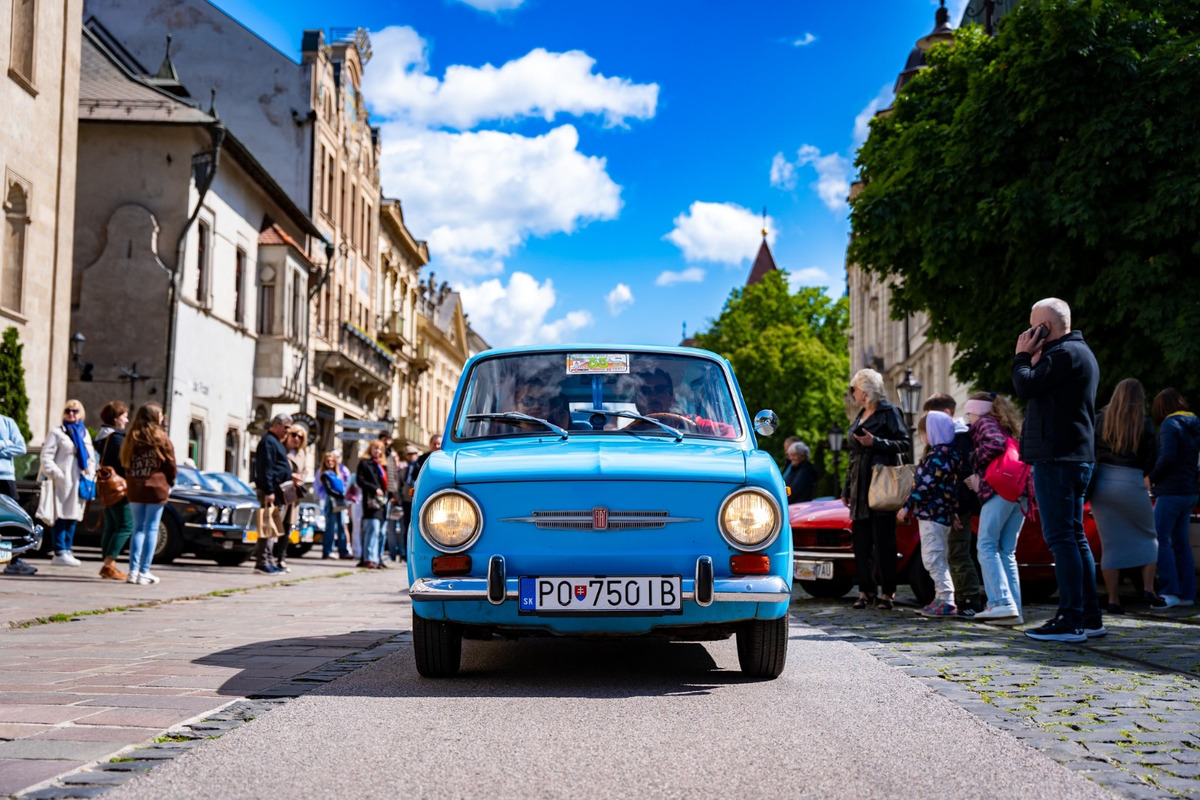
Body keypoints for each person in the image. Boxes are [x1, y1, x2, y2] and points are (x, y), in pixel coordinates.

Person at [1012, 297, 1102, 643]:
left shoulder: (1064, 354)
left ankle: (1070, 618)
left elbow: (1025, 385)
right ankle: (1088, 617)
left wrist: (1022, 357)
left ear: (1044, 327)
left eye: (1033, 326)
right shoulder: (1077, 352)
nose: (1028, 333)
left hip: (1058, 458)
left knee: (1062, 538)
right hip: (1073, 456)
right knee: (1074, 536)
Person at [842, 368, 911, 611]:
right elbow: (853, 454)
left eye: (855, 389)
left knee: (884, 543)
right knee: (861, 543)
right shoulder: (861, 413)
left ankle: (888, 593)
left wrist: (876, 442)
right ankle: (865, 590)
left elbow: (904, 443)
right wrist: (846, 487)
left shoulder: (888, 412)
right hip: (860, 484)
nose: (852, 394)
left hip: (881, 483)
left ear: (866, 390)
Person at [1090, 379, 1160, 614]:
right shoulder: (1144, 422)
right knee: (1148, 534)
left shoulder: (1100, 418)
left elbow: (1090, 449)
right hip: (1131, 480)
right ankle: (1148, 588)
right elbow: (1151, 457)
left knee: (1111, 544)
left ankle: (1113, 600)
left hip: (1102, 483)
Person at [965, 392, 1029, 625]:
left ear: (979, 410)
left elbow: (994, 445)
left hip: (999, 491)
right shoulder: (1007, 427)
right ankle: (1014, 609)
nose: (968, 417)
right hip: (1019, 492)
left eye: (969, 411)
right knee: (1006, 551)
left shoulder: (985, 423)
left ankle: (1001, 603)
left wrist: (974, 459)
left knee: (986, 545)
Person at [923, 393, 983, 617]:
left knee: (959, 551)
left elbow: (959, 479)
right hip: (954, 506)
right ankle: (960, 598)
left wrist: (957, 508)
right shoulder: (954, 440)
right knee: (954, 552)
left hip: (959, 506)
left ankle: (969, 600)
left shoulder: (958, 441)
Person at [897, 411, 960, 617]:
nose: (922, 436)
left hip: (932, 515)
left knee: (933, 557)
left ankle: (947, 600)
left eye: (923, 432)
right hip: (941, 514)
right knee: (938, 556)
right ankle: (940, 598)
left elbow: (924, 487)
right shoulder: (949, 454)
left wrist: (906, 507)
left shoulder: (936, 457)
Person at [1148, 388, 1200, 609]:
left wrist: (1151, 477)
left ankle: (1169, 591)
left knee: (1159, 538)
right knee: (1181, 543)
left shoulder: (1169, 425)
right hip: (1190, 491)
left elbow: (1167, 457)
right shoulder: (1195, 423)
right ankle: (1187, 593)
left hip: (1171, 491)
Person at [119, 403, 176, 585]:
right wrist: (171, 482)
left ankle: (133, 571)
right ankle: (144, 571)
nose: (162, 418)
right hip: (156, 487)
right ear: (154, 417)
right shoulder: (161, 438)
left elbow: (125, 462)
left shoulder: (131, 438)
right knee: (151, 528)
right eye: (160, 415)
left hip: (136, 487)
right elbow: (171, 465)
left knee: (138, 528)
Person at [40, 399, 98, 567]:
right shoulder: (57, 433)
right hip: (62, 481)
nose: (71, 414)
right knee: (61, 516)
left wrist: (90, 472)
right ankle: (59, 550)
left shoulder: (84, 433)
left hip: (79, 481)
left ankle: (68, 548)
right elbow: (46, 457)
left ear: (81, 414)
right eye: (68, 411)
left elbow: (90, 457)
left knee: (74, 516)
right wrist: (57, 473)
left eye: (75, 411)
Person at [94, 401, 133, 581]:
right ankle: (109, 564)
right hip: (118, 487)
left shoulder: (102, 437)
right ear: (116, 418)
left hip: (105, 486)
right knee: (126, 525)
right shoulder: (117, 438)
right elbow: (124, 463)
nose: (126, 419)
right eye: (124, 416)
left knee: (111, 525)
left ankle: (108, 565)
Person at [253, 413, 293, 575]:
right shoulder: (268, 442)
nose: (288, 431)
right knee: (267, 528)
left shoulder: (276, 442)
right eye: (286, 427)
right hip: (271, 491)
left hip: (278, 491)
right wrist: (269, 490)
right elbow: (266, 468)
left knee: (272, 529)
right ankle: (262, 562)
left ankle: (269, 560)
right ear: (275, 425)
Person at [272, 424, 309, 573]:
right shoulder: (281, 450)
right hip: (280, 491)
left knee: (287, 526)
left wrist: (301, 478)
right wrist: (289, 477)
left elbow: (305, 470)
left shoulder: (302, 453)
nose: (296, 439)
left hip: (293, 494)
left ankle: (281, 558)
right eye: (294, 435)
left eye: (300, 437)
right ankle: (269, 556)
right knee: (275, 524)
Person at [0, 409, 33, 576]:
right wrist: (6, 443)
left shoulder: (7, 422)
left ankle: (9, 560)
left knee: (9, 523)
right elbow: (13, 446)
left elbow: (21, 447)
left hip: (6, 478)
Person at [356, 440, 388, 569]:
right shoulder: (364, 463)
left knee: (380, 531)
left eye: (380, 449)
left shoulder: (381, 466)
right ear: (370, 449)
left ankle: (377, 557)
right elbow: (360, 480)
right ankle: (369, 558)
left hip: (382, 502)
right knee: (372, 528)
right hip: (371, 501)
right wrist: (374, 488)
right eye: (375, 448)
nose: (377, 451)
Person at [314, 451, 351, 560]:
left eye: (332, 460)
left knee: (341, 526)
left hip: (340, 501)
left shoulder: (337, 474)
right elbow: (329, 489)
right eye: (328, 460)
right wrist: (340, 495)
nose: (330, 462)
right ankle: (328, 551)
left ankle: (343, 551)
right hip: (331, 501)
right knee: (330, 527)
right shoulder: (324, 474)